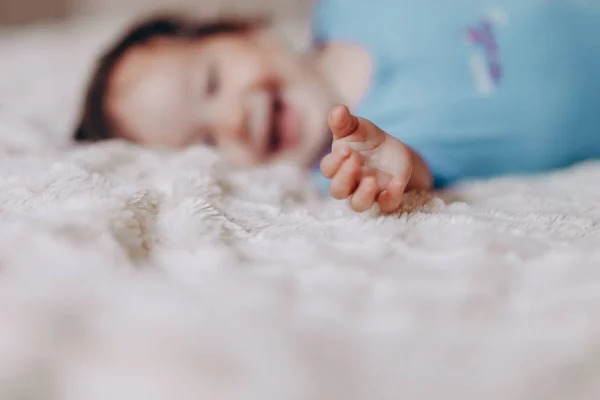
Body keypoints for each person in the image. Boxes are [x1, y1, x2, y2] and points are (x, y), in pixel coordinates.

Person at [74, 0, 600, 213]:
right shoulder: (343, 171)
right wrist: (393, 171)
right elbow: (410, 172)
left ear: (247, 31)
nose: (232, 119)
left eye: (212, 82)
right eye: (207, 142)